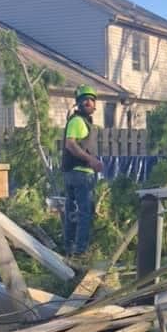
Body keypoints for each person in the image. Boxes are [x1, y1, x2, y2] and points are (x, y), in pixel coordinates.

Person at [62, 85, 104, 258]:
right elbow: (70, 144)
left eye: (91, 100)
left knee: (72, 211)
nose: (88, 102)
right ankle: (80, 252)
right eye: (85, 99)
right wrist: (90, 160)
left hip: (75, 173)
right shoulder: (77, 121)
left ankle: (69, 248)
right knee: (84, 213)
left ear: (95, 105)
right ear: (78, 103)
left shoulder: (83, 122)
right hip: (79, 173)